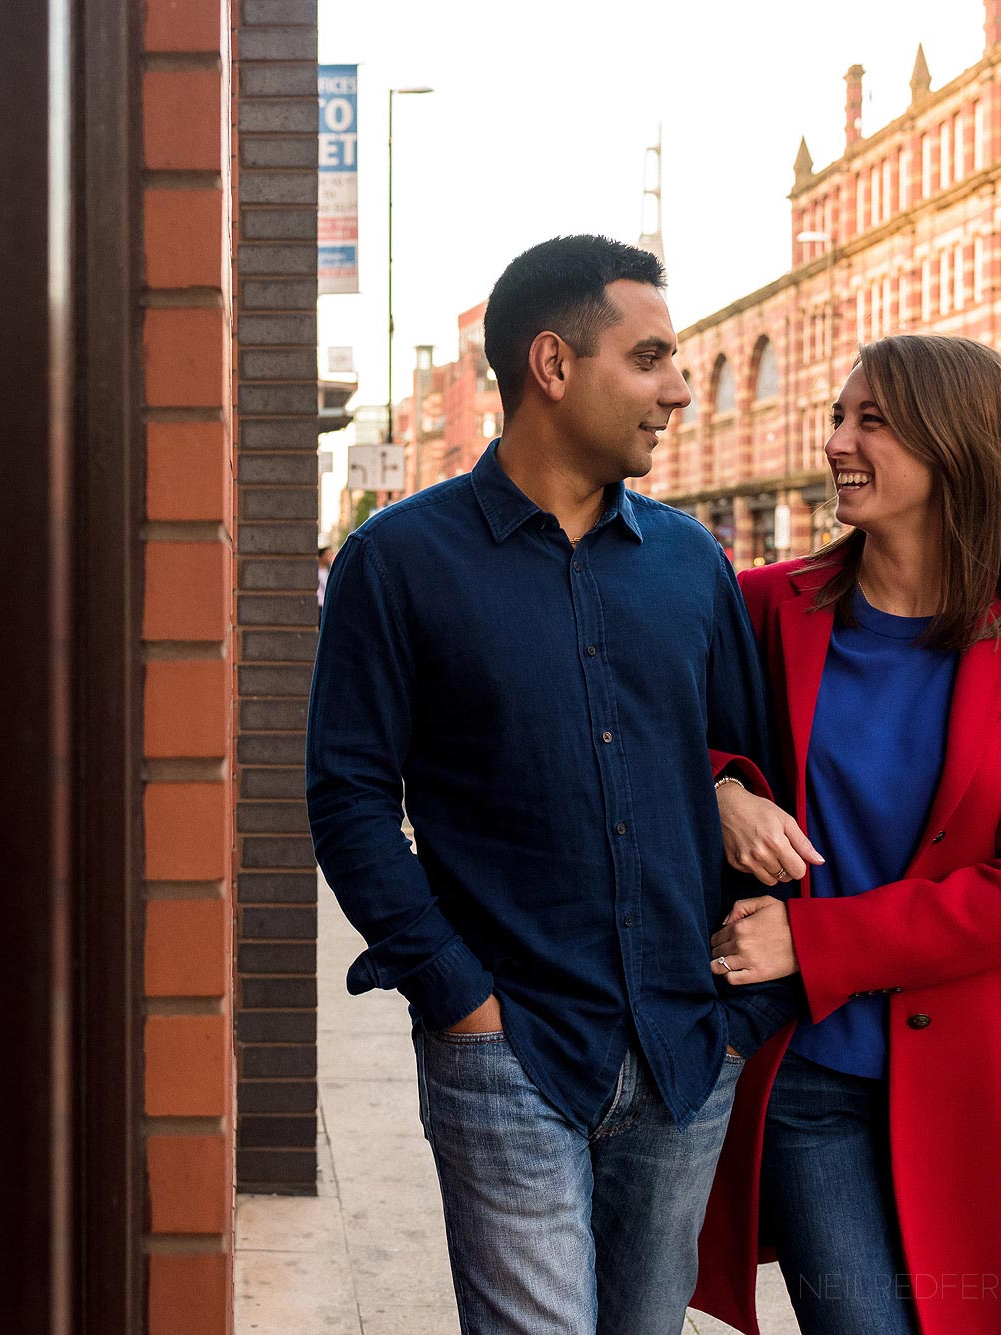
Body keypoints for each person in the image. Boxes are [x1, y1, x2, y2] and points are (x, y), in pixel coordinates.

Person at [307, 234, 799, 1335]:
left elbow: (752, 774)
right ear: (552, 365)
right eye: (652, 358)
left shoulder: (691, 563)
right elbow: (345, 796)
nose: (678, 390)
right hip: (508, 1050)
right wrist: (455, 997)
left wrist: (742, 1015)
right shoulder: (398, 561)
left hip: (684, 1049)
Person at [692, 334, 1001, 1335]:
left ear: (952, 444)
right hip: (811, 1075)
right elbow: (644, 732)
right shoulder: (764, 607)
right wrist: (711, 789)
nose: (836, 440)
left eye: (868, 420)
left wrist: (813, 939)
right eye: (838, 416)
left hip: (991, 1074)